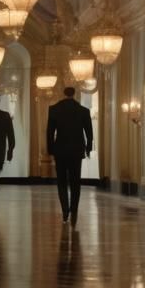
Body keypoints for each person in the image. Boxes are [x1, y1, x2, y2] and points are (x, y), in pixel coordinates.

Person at [46, 87, 93, 224]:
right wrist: (88, 149)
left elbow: (49, 132)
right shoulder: (83, 111)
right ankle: (74, 209)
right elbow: (89, 133)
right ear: (75, 94)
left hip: (60, 149)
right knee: (75, 181)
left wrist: (50, 149)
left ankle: (65, 210)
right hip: (77, 150)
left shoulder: (54, 109)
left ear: (64, 94)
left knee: (61, 181)